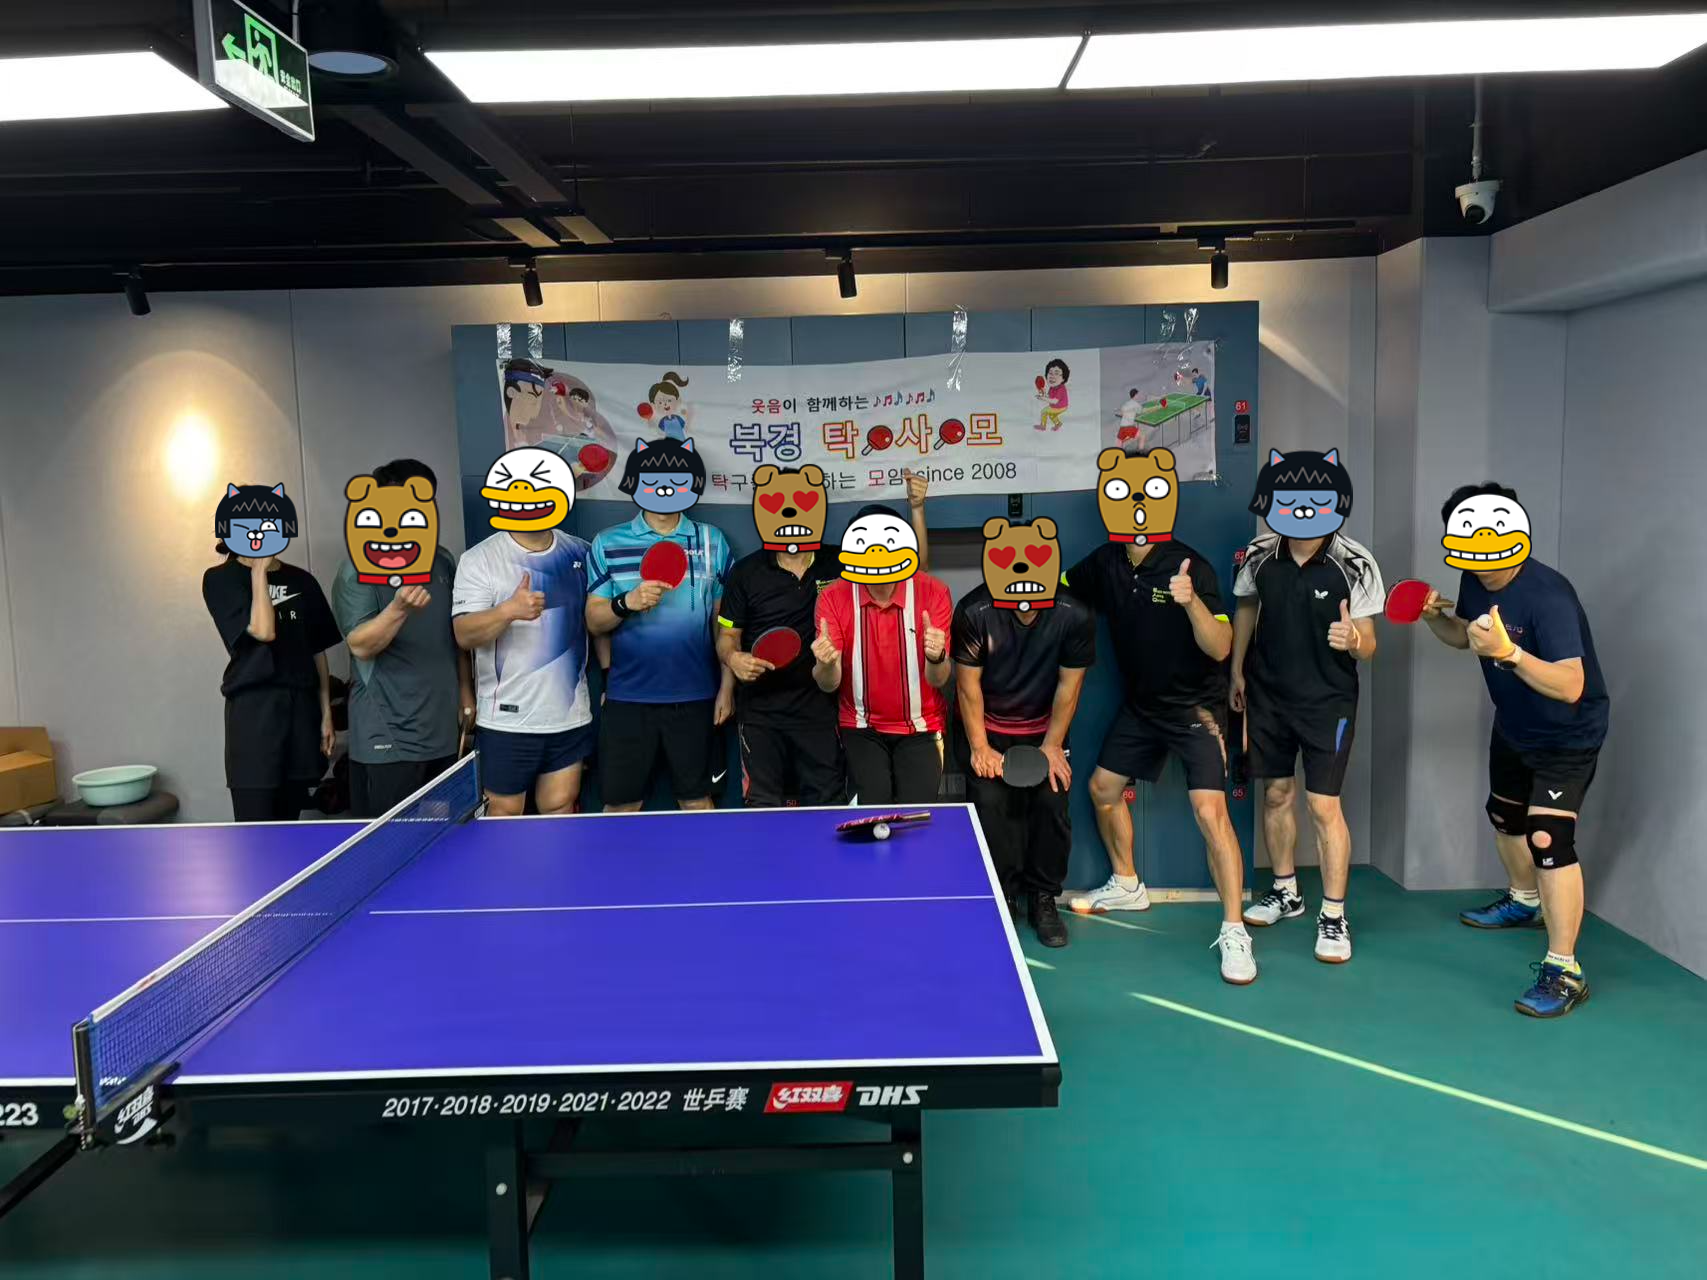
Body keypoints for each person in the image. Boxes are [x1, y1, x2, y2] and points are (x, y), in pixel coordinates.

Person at [1065, 447, 1257, 984]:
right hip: (1142, 706)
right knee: (1102, 789)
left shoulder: (1190, 564)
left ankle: (1234, 930)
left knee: (1210, 815)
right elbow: (1058, 586)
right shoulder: (1105, 561)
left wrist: (1191, 602)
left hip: (1196, 708)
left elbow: (1221, 646)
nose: (1137, 506)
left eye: (1148, 494)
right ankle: (1128, 884)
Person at [1421, 483, 1610, 1018]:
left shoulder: (1549, 596)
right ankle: (1524, 902)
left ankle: (1565, 970)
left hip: (1567, 734)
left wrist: (1511, 654)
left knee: (1547, 836)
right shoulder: (1474, 576)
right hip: (1514, 725)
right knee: (1506, 818)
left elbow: (1571, 684)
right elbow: (1467, 637)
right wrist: (1436, 617)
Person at [1232, 448, 1384, 963]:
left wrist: (1353, 640)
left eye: (1315, 498)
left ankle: (1334, 915)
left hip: (1328, 702)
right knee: (1276, 793)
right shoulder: (1259, 553)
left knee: (1323, 806)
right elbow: (1247, 607)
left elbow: (1370, 643)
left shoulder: (1355, 561)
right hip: (1269, 694)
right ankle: (1286, 891)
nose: (1301, 508)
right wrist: (1236, 670)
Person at [719, 468, 929, 807]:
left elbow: (911, 571)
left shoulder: (840, 563)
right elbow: (727, 636)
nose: (791, 514)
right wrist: (733, 659)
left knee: (826, 804)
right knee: (761, 805)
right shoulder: (745, 573)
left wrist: (917, 509)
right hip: (760, 712)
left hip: (821, 709)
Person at [953, 517, 1094, 947]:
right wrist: (980, 746)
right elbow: (967, 685)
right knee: (992, 805)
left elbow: (1070, 687)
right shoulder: (974, 611)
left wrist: (1052, 746)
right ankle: (1003, 894)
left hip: (1043, 732)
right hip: (988, 729)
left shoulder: (1074, 614)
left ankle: (1043, 899)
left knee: (1052, 804)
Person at [586, 437, 733, 811]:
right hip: (628, 698)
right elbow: (594, 621)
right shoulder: (608, 542)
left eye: (676, 479)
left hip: (696, 696)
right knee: (620, 808)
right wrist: (628, 602)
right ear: (636, 483)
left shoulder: (712, 541)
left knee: (697, 803)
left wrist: (726, 688)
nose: (664, 488)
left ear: (692, 484)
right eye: (652, 479)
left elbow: (726, 625)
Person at [452, 450, 594, 816]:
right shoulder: (479, 559)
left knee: (560, 807)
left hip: (569, 714)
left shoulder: (581, 552)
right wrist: (508, 611)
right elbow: (464, 634)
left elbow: (598, 621)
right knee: (503, 813)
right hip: (506, 720)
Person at [334, 460, 475, 818]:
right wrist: (398, 609)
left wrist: (465, 692)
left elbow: (455, 633)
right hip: (387, 737)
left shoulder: (442, 560)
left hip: (442, 731)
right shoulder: (357, 567)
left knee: (441, 831)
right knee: (391, 841)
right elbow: (361, 645)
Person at [202, 483, 341, 822]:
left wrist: (326, 714)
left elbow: (317, 652)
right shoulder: (220, 579)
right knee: (255, 822)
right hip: (254, 711)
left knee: (290, 818)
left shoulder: (303, 581)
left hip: (300, 709)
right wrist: (260, 571)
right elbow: (264, 631)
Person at [814, 503, 952, 805]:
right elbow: (828, 683)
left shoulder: (933, 592)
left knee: (915, 819)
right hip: (860, 726)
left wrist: (935, 656)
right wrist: (825, 664)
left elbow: (939, 679)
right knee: (872, 812)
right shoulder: (833, 597)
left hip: (922, 726)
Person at [1036, 358, 1070, 431]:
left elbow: (1054, 401)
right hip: (1058, 406)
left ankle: (1043, 426)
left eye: (1056, 373)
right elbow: (1049, 396)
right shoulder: (1052, 387)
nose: (1052, 376)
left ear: (1063, 378)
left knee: (1044, 411)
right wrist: (1043, 393)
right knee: (1052, 415)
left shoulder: (1061, 389)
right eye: (1050, 373)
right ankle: (1058, 424)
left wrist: (1042, 398)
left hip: (1060, 406)